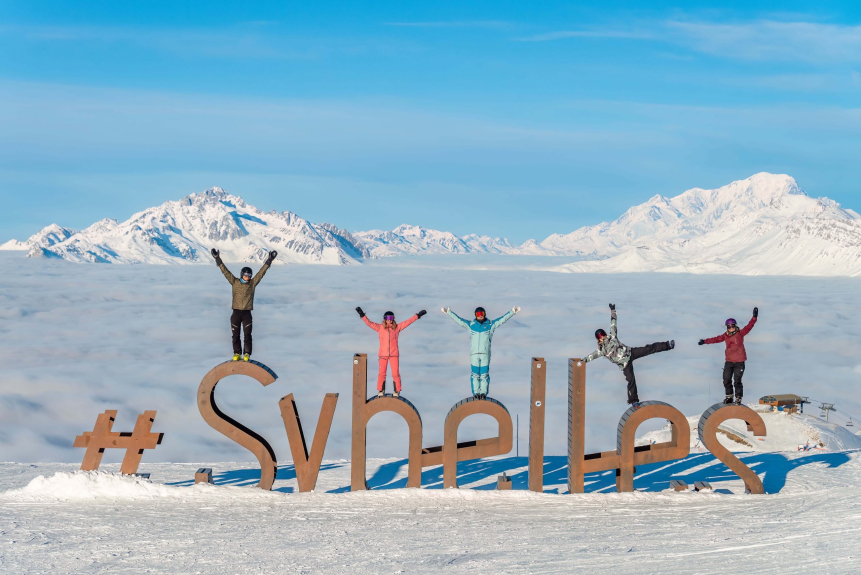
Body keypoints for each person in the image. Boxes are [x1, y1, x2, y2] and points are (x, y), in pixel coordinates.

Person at [583, 304, 675, 407]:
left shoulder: (612, 337)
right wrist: (581, 362)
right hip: (625, 364)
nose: (603, 337)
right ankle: (634, 401)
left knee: (649, 348)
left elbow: (613, 323)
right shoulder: (601, 350)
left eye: (603, 335)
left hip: (630, 352)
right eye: (601, 336)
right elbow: (591, 356)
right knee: (631, 380)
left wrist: (613, 310)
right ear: (599, 339)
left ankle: (668, 345)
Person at [211, 248, 277, 362]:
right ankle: (237, 353)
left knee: (247, 335)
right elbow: (225, 272)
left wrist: (269, 260)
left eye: (249, 275)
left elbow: (261, 273)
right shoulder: (235, 282)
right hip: (236, 313)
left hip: (247, 313)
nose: (247, 277)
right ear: (242, 274)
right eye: (246, 275)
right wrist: (218, 259)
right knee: (235, 335)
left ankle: (247, 353)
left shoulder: (252, 284)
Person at [443, 305, 520, 399]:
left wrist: (512, 312)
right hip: (474, 355)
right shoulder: (471, 325)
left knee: (484, 375)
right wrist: (449, 312)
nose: (480, 315)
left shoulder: (490, 325)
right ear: (475, 315)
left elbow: (501, 320)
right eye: (478, 314)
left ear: (485, 314)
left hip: (485, 354)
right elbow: (460, 321)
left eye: (482, 313)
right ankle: (476, 393)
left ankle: (483, 393)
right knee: (475, 375)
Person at [356, 307, 426, 398]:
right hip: (383, 355)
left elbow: (408, 322)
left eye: (391, 318)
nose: (389, 320)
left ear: (393, 319)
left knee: (395, 374)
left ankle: (396, 390)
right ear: (384, 319)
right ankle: (381, 390)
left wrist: (417, 316)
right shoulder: (380, 328)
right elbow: (369, 323)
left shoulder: (397, 328)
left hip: (394, 355)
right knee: (382, 374)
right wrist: (362, 315)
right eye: (387, 318)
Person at [698, 307, 758, 405]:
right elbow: (716, 339)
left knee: (737, 380)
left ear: (735, 325)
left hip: (739, 361)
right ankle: (729, 397)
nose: (731, 328)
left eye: (732, 326)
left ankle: (738, 398)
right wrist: (705, 341)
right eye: (729, 326)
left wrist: (754, 317)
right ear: (727, 327)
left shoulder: (740, 333)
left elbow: (749, 326)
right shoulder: (725, 336)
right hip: (729, 361)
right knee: (726, 379)